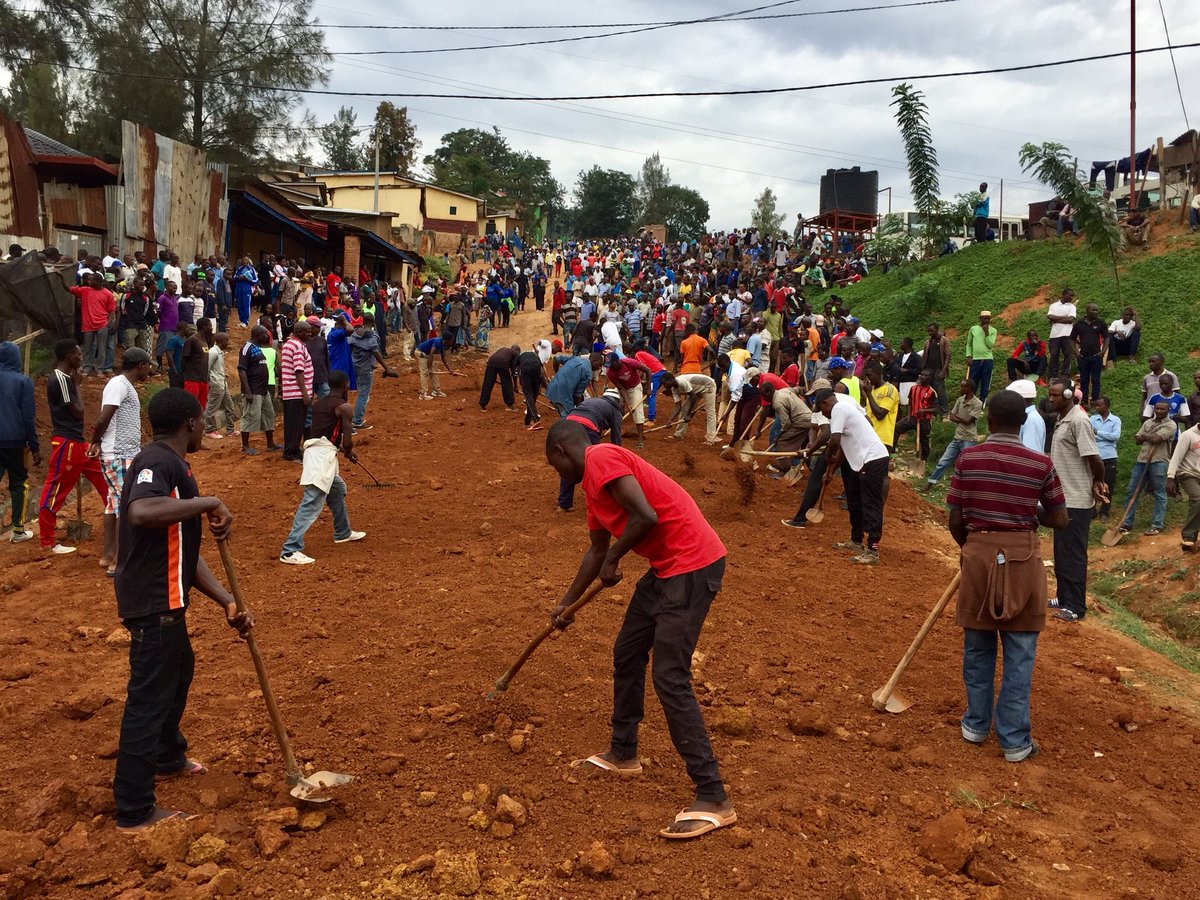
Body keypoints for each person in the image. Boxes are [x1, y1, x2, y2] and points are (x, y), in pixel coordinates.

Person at [544, 420, 735, 839]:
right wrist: (566, 604)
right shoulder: (593, 493)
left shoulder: (601, 456)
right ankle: (623, 752)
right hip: (665, 569)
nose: (558, 475)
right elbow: (596, 551)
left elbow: (646, 516)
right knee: (627, 651)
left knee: (670, 676)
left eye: (554, 466)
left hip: (692, 563)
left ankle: (713, 796)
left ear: (561, 451)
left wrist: (616, 557)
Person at [111, 388, 253, 832]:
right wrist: (208, 502)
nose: (203, 429)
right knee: (148, 700)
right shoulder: (159, 462)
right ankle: (134, 809)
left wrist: (227, 600)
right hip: (153, 602)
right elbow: (141, 511)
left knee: (178, 674)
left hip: (165, 600)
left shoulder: (173, 466)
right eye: (202, 422)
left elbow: (184, 553)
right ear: (191, 423)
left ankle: (166, 756)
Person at [947, 389, 1067, 763]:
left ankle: (975, 726)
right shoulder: (1041, 464)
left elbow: (956, 520)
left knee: (977, 647)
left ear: (991, 420)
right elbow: (1060, 518)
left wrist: (973, 548)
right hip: (1023, 558)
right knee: (1020, 653)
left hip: (978, 556)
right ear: (1023, 421)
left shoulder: (968, 459)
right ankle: (1014, 741)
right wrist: (1027, 516)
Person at [279, 371, 366, 564]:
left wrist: (342, 449)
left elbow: (322, 433)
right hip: (321, 457)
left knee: (337, 489)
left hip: (315, 451)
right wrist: (349, 450)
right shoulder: (345, 408)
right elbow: (347, 440)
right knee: (312, 500)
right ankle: (290, 550)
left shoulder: (319, 404)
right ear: (345, 385)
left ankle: (342, 531)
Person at [36, 340, 109, 554]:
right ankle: (47, 542)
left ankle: (118, 520)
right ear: (69, 356)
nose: (81, 358)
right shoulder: (61, 379)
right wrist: (77, 385)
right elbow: (78, 412)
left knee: (105, 479)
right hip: (67, 444)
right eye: (79, 354)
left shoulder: (65, 378)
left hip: (77, 443)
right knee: (55, 490)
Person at [1047, 378, 1106, 623]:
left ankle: (1076, 606)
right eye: (1050, 394)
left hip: (1076, 499)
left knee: (1073, 554)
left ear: (1069, 395)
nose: (1051, 398)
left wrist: (1097, 480)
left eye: (1055, 395)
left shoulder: (1079, 421)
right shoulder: (1063, 419)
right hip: (1063, 497)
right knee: (1061, 552)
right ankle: (1063, 597)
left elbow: (1095, 459)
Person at [89, 348, 153, 575]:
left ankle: (108, 555)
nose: (149, 369)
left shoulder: (124, 385)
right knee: (125, 505)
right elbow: (104, 417)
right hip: (119, 454)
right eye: (148, 365)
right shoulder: (119, 384)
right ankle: (119, 560)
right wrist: (95, 441)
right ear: (140, 365)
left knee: (113, 502)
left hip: (121, 453)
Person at [813, 387, 889, 565]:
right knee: (854, 500)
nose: (823, 414)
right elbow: (842, 448)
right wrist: (831, 471)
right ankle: (856, 540)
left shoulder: (839, 408)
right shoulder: (843, 410)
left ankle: (872, 550)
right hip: (864, 462)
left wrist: (828, 456)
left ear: (825, 403)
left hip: (873, 459)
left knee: (871, 503)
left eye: (821, 410)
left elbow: (834, 441)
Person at [555, 390, 624, 512]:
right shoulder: (615, 410)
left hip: (569, 422)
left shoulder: (593, 401)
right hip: (588, 427)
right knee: (594, 465)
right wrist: (618, 458)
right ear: (617, 401)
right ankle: (601, 503)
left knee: (570, 463)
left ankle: (564, 504)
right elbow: (616, 439)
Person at [0, 341, 41, 542]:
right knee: (18, 484)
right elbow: (28, 417)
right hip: (15, 442)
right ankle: (18, 530)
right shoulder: (23, 382)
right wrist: (34, 446)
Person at [1118, 401, 1177, 537]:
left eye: (1162, 409)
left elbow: (1156, 439)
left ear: (1168, 410)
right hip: (1142, 460)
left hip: (1159, 461)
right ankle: (1126, 523)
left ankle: (1157, 525)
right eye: (1157, 408)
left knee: (1159, 494)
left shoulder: (1171, 424)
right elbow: (1137, 440)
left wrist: (1145, 436)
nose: (1159, 411)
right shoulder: (1148, 422)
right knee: (1132, 491)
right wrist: (1148, 437)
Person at [924, 379, 984, 491]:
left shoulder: (977, 403)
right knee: (943, 462)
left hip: (969, 439)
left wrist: (958, 418)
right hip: (957, 437)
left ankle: (969, 489)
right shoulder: (960, 400)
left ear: (969, 388)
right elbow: (951, 416)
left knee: (967, 466)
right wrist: (962, 419)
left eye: (963, 387)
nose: (961, 389)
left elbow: (968, 420)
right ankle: (930, 483)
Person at [237, 326, 278, 456]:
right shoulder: (246, 348)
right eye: (265, 334)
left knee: (268, 415)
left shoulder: (257, 348)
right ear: (258, 334)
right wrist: (247, 391)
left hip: (263, 390)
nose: (267, 337)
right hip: (253, 390)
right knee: (249, 417)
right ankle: (245, 446)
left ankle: (270, 444)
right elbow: (242, 370)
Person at [349, 314, 393, 429]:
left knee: (359, 392)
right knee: (363, 395)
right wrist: (386, 368)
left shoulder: (355, 333)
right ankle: (357, 420)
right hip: (365, 368)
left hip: (355, 366)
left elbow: (350, 347)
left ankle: (353, 418)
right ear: (373, 322)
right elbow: (375, 351)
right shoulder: (372, 336)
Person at [280, 321, 314, 460]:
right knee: (296, 425)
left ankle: (293, 449)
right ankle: (290, 453)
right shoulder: (298, 347)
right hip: (296, 393)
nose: (310, 334)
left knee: (293, 424)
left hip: (291, 392)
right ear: (299, 332)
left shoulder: (290, 344)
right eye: (308, 331)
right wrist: (305, 394)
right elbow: (299, 371)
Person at [71, 272, 117, 376]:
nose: (88, 282)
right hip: (88, 324)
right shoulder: (85, 290)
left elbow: (112, 310)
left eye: (91, 280)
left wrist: (108, 323)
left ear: (98, 281)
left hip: (102, 324)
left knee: (101, 348)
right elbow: (69, 289)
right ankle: (86, 367)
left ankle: (99, 369)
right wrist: (61, 278)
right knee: (87, 347)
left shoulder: (107, 294)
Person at [605, 354, 652, 449]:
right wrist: (628, 403)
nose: (610, 367)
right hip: (622, 389)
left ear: (617, 361)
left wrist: (648, 386)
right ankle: (610, 428)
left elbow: (648, 370)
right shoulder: (610, 372)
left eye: (611, 364)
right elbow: (621, 388)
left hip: (634, 387)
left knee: (637, 411)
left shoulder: (629, 362)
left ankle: (640, 439)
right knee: (610, 402)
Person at [661, 372, 720, 445]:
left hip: (708, 385)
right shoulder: (674, 389)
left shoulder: (681, 382)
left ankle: (711, 439)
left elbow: (693, 397)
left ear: (671, 379)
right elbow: (678, 406)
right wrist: (670, 420)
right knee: (684, 410)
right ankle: (679, 434)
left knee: (710, 411)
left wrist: (688, 414)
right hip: (695, 390)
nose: (665, 386)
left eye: (665, 384)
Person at [1167, 419, 1200, 551]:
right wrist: (1170, 477)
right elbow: (1176, 457)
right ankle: (1188, 536)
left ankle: (1193, 539)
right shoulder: (1188, 435)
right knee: (1198, 499)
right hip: (1187, 473)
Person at [893, 370, 937, 467]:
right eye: (921, 375)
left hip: (925, 420)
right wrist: (909, 415)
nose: (922, 377)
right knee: (897, 428)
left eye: (925, 376)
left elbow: (936, 408)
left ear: (929, 379)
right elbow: (910, 401)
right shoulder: (913, 388)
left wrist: (924, 411)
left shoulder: (932, 392)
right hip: (912, 418)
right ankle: (893, 450)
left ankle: (924, 460)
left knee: (924, 440)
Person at [1090, 396, 1120, 521]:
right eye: (1096, 405)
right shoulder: (1092, 419)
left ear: (1107, 406)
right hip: (1094, 455)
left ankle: (1105, 510)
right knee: (1091, 482)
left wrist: (1098, 433)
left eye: (1099, 405)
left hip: (1109, 456)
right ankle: (1091, 509)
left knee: (1108, 484)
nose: (1097, 408)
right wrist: (1106, 436)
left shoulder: (1115, 420)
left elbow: (1115, 436)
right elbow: (1089, 435)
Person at [548, 352, 604, 419]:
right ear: (594, 361)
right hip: (562, 397)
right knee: (569, 420)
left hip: (551, 389)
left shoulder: (576, 358)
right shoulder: (588, 373)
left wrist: (557, 373)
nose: (600, 368)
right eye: (599, 365)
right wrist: (580, 410)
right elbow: (577, 396)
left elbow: (556, 359)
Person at [1071, 303, 1108, 405]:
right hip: (1083, 357)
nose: (1096, 312)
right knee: (1084, 379)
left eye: (1097, 310)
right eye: (1093, 310)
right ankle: (1084, 400)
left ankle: (1095, 400)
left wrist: (1103, 351)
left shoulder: (1100, 323)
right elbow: (1072, 338)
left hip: (1096, 356)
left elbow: (1106, 337)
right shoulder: (1079, 324)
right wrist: (1076, 352)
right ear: (1087, 310)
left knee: (1096, 379)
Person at [203, 333, 237, 439]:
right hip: (217, 384)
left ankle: (230, 430)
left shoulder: (219, 352)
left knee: (230, 407)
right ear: (221, 341)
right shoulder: (213, 352)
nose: (228, 342)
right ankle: (209, 430)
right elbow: (206, 368)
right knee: (212, 408)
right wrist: (211, 382)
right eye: (226, 340)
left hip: (222, 384)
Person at [965, 311, 997, 401]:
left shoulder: (993, 330)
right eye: (985, 318)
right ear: (980, 319)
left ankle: (982, 403)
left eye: (988, 318)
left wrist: (986, 333)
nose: (987, 320)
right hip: (975, 360)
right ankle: (971, 402)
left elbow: (990, 345)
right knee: (972, 383)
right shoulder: (973, 329)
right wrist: (969, 356)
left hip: (988, 360)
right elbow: (969, 344)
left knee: (985, 383)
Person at [1046, 288, 1077, 378]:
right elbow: (1050, 317)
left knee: (1067, 354)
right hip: (1054, 335)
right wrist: (1065, 318)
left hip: (1068, 334)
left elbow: (1070, 319)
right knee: (1054, 355)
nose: (1072, 297)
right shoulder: (1053, 306)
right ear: (1063, 294)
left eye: (1072, 296)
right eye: (1070, 295)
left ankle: (1065, 374)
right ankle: (1053, 375)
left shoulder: (1072, 307)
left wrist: (1056, 320)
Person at [480, 344, 521, 412]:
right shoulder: (514, 354)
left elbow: (496, 358)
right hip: (503, 364)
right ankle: (510, 404)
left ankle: (482, 405)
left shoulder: (503, 349)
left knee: (487, 383)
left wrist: (493, 378)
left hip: (491, 362)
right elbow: (514, 372)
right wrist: (515, 386)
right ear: (517, 351)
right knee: (507, 384)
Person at [415, 334, 454, 401]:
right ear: (447, 340)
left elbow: (443, 358)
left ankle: (436, 391)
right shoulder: (437, 342)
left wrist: (449, 369)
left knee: (434, 370)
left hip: (427, 354)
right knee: (425, 372)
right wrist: (429, 368)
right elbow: (431, 355)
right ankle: (423, 394)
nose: (452, 341)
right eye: (451, 340)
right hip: (420, 353)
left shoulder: (444, 345)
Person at [923, 323, 952, 410]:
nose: (930, 332)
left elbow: (948, 356)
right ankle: (935, 409)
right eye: (929, 331)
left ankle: (945, 410)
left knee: (940, 389)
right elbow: (925, 356)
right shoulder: (928, 342)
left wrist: (944, 370)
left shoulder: (944, 340)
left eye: (932, 331)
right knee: (931, 389)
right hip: (929, 369)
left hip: (939, 368)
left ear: (937, 329)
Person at [518, 347, 547, 431]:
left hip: (526, 369)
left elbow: (516, 371)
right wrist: (542, 386)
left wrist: (518, 384)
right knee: (533, 395)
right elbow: (541, 371)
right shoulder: (535, 356)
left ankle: (535, 418)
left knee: (528, 395)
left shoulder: (519, 357)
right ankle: (528, 420)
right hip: (536, 369)